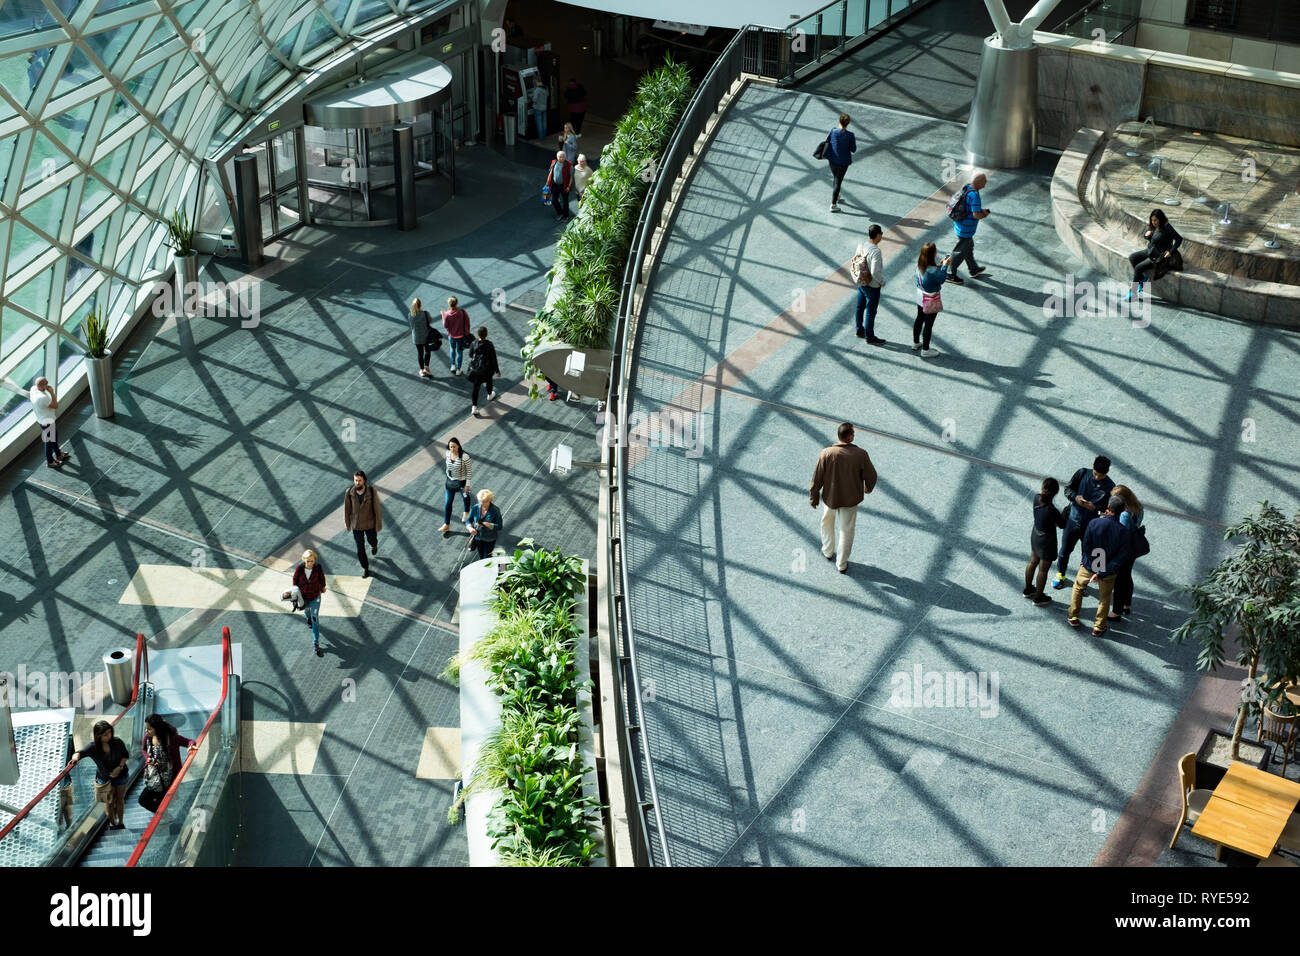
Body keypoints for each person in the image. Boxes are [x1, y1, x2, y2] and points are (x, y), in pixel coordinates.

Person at [809, 422, 878, 574]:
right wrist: (868, 487)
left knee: (826, 522)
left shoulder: (826, 453)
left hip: (830, 497)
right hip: (850, 499)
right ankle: (841, 564)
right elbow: (872, 475)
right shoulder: (861, 454)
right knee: (846, 530)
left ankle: (827, 551)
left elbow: (817, 478)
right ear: (850, 436)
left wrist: (814, 497)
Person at [1067, 495, 1131, 635]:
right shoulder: (1123, 532)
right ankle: (1099, 626)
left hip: (1088, 566)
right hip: (1107, 571)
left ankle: (1073, 616)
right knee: (1105, 597)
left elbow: (1087, 545)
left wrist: (1091, 563)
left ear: (1108, 508)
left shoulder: (1094, 523)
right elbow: (1120, 557)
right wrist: (1101, 571)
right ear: (1122, 511)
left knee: (1078, 588)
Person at [1052, 455, 1116, 590]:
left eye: (1101, 475)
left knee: (1088, 555)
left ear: (1107, 473)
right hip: (1073, 519)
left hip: (1091, 526)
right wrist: (1076, 497)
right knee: (1064, 551)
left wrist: (1096, 508)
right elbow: (1067, 489)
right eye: (1095, 473)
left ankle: (1083, 581)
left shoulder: (1110, 487)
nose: (1097, 477)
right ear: (1092, 468)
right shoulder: (1082, 473)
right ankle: (1060, 574)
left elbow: (1108, 511)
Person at [71, 720, 130, 829]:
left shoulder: (117, 742)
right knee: (109, 803)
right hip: (105, 779)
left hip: (121, 775)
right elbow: (80, 752)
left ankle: (120, 823)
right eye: (105, 734)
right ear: (98, 736)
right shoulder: (93, 747)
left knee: (120, 799)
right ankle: (112, 824)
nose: (109, 736)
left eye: (110, 732)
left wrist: (119, 767)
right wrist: (75, 757)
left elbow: (125, 755)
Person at [1024, 477, 1068, 607]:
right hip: (1046, 542)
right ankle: (1039, 597)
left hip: (1035, 535)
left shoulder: (1036, 498)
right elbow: (1062, 524)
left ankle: (1028, 589)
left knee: (1032, 562)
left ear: (1043, 489)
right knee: (1043, 570)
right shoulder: (1052, 510)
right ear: (1055, 493)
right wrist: (1065, 511)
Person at [1127, 208, 1183, 299]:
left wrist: (1170, 251)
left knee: (1138, 268)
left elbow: (1179, 239)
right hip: (1151, 250)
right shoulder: (1154, 227)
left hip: (1159, 256)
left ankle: (1133, 293)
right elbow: (1154, 240)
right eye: (1152, 220)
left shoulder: (1167, 227)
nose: (1153, 222)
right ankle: (1142, 279)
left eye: (1155, 220)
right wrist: (1146, 236)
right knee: (1132, 257)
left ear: (1160, 219)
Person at [946, 172, 990, 285]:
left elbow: (968, 207)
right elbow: (976, 214)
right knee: (959, 252)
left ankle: (973, 269)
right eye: (984, 181)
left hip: (959, 225)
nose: (986, 183)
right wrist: (984, 214)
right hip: (966, 229)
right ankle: (950, 274)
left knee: (968, 247)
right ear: (978, 182)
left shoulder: (967, 188)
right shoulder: (974, 195)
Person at [1108, 484, 1145, 619]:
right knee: (1127, 576)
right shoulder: (1138, 507)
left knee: (1119, 580)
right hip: (1133, 547)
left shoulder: (1124, 514)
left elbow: (1121, 533)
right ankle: (1127, 604)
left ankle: (1116, 611)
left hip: (1124, 549)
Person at [142, 715, 196, 795]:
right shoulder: (148, 737)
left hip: (172, 778)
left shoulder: (172, 738)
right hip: (154, 777)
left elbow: (189, 741)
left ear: (157, 728)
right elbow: (144, 749)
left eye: (149, 729)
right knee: (145, 800)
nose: (146, 731)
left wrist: (191, 746)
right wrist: (148, 758)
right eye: (146, 728)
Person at [286, 549, 327, 656]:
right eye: (308, 561)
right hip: (303, 597)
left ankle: (316, 642)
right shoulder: (299, 568)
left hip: (315, 596)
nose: (310, 563)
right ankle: (308, 617)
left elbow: (322, 578)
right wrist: (294, 589)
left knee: (315, 618)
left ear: (315, 560)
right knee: (306, 611)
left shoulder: (318, 567)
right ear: (304, 560)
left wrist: (323, 587)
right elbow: (295, 580)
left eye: (312, 561)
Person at [912, 242, 950, 357]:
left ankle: (916, 343)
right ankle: (925, 350)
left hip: (920, 295)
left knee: (919, 318)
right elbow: (942, 279)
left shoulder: (919, 265)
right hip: (931, 298)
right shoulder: (933, 270)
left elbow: (930, 274)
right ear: (933, 253)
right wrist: (945, 266)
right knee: (928, 324)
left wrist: (938, 266)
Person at [343, 469, 381, 579]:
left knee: (372, 540)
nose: (357, 483)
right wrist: (347, 523)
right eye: (355, 480)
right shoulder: (349, 493)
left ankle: (374, 545)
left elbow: (377, 508)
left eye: (359, 480)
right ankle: (365, 568)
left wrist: (378, 524)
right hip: (356, 525)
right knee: (360, 548)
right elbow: (347, 509)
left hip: (370, 524)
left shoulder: (372, 492)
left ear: (364, 480)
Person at [853, 224, 886, 344]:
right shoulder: (876, 251)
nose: (882, 235)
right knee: (871, 312)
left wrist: (862, 276)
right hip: (872, 286)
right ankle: (870, 337)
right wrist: (882, 282)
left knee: (859, 307)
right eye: (881, 233)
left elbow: (857, 260)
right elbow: (875, 272)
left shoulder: (861, 245)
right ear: (877, 235)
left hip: (862, 281)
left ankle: (859, 330)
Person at [30, 376, 69, 469]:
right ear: (42, 386)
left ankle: (59, 454)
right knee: (49, 442)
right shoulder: (43, 397)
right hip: (47, 421)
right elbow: (55, 405)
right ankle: (50, 461)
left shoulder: (33, 389)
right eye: (46, 384)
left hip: (42, 419)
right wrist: (51, 392)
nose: (48, 385)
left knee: (54, 438)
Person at [823, 113, 856, 213]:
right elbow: (853, 149)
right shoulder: (850, 135)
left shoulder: (833, 131)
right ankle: (833, 204)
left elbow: (827, 141)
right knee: (838, 181)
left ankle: (836, 195)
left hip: (832, 159)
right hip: (843, 162)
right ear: (848, 123)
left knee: (835, 178)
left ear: (839, 121)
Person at [440, 437, 472, 535]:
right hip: (450, 481)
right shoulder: (447, 453)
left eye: (454, 446)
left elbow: (469, 472)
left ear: (458, 446)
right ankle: (446, 524)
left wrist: (467, 485)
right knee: (448, 503)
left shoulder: (465, 457)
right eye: (450, 447)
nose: (452, 449)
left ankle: (466, 512)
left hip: (462, 482)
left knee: (465, 497)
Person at [466, 326, 501, 416]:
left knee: (476, 387)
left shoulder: (474, 343)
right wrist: (497, 370)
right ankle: (490, 395)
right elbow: (493, 358)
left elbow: (470, 355)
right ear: (486, 334)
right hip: (486, 370)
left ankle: (474, 407)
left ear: (478, 334)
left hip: (476, 370)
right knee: (489, 380)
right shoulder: (489, 344)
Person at [466, 489, 504, 560]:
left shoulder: (495, 510)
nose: (482, 504)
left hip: (489, 539)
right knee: (481, 555)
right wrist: (470, 528)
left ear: (490, 500)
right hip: (478, 537)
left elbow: (500, 526)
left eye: (485, 502)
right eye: (481, 501)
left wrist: (489, 525)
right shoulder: (475, 508)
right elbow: (468, 520)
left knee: (487, 557)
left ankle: (491, 568)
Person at [442, 295, 472, 375]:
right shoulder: (462, 312)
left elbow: (445, 326)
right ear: (457, 303)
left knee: (452, 349)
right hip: (461, 336)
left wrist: (443, 315)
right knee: (459, 352)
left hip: (451, 336)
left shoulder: (447, 314)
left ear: (449, 304)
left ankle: (453, 366)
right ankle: (459, 370)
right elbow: (468, 321)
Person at [408, 297, 436, 377]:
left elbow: (412, 326)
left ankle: (421, 370)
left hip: (417, 337)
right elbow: (430, 320)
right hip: (426, 336)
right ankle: (426, 367)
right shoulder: (425, 313)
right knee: (427, 351)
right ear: (420, 305)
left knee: (420, 353)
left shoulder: (410, 314)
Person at [546, 150, 572, 221]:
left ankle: (566, 216)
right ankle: (560, 213)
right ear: (557, 157)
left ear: (565, 157)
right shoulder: (554, 163)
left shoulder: (569, 165)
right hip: (555, 185)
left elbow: (571, 177)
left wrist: (569, 186)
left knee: (565, 201)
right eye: (560, 157)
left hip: (564, 185)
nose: (561, 158)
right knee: (554, 200)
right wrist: (547, 183)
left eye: (563, 157)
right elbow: (550, 173)